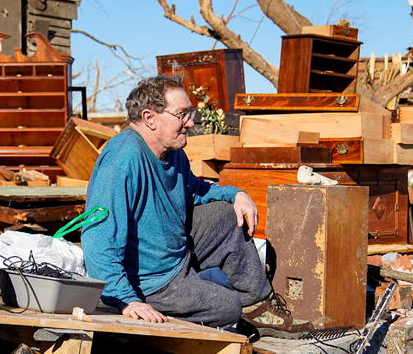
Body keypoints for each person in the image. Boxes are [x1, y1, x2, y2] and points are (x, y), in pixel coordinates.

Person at [80, 75, 312, 337]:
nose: (190, 122)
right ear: (149, 117)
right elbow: (98, 240)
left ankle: (259, 308)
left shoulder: (173, 153)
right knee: (227, 307)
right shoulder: (121, 161)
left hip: (176, 253)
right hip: (150, 281)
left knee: (226, 215)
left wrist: (235, 195)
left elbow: (195, 190)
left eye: (189, 113)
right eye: (182, 114)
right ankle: (186, 308)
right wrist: (126, 300)